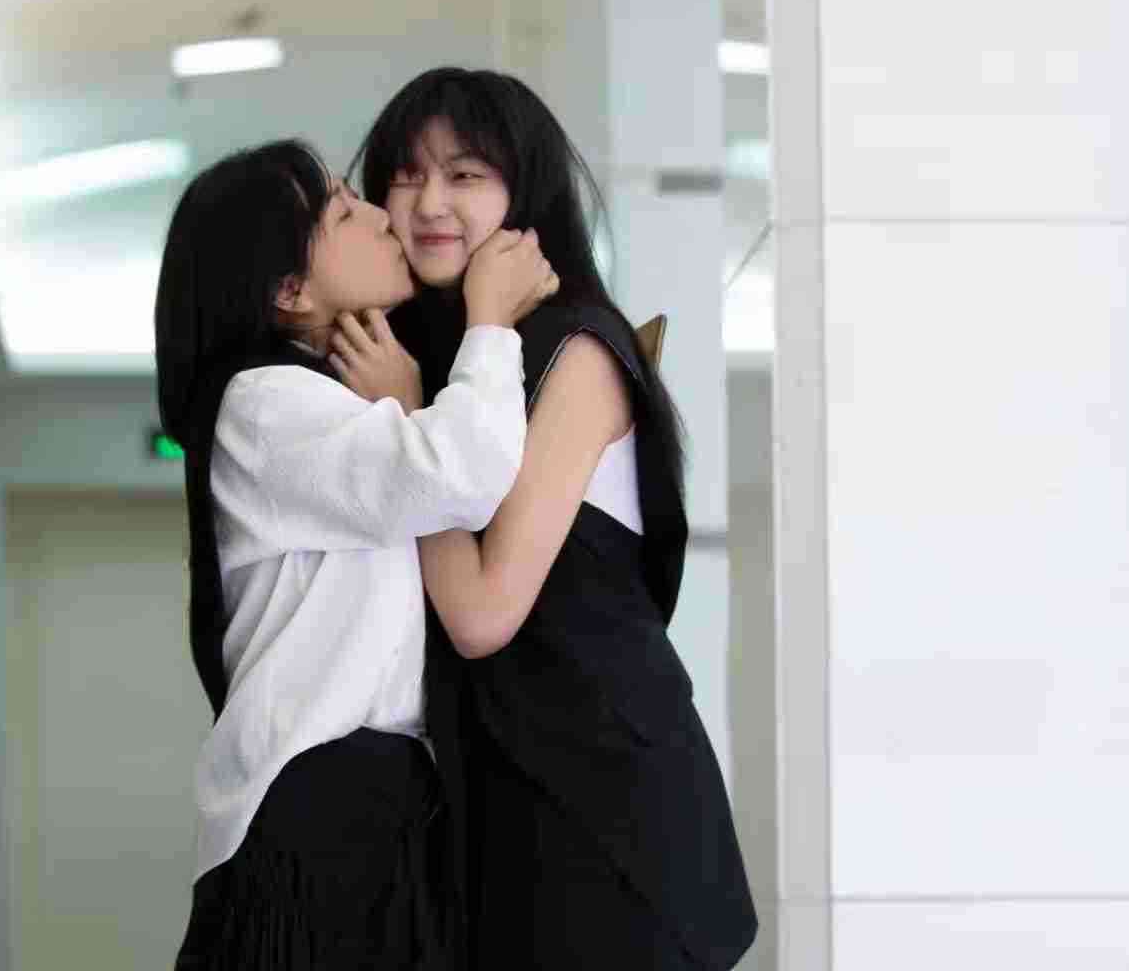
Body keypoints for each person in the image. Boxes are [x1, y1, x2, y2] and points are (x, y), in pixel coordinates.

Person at [349, 68, 758, 969]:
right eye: (406, 175)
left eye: (465, 175)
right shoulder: (450, 360)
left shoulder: (576, 352)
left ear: (525, 194)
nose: (429, 203)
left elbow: (481, 612)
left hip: (610, 822)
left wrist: (408, 425)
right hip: (512, 813)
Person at [153, 138, 556, 969]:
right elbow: (462, 474)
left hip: (360, 800)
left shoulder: (306, 398)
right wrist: (488, 322)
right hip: (323, 805)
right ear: (290, 290)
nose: (381, 215)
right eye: (342, 211)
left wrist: (406, 399)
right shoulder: (265, 403)